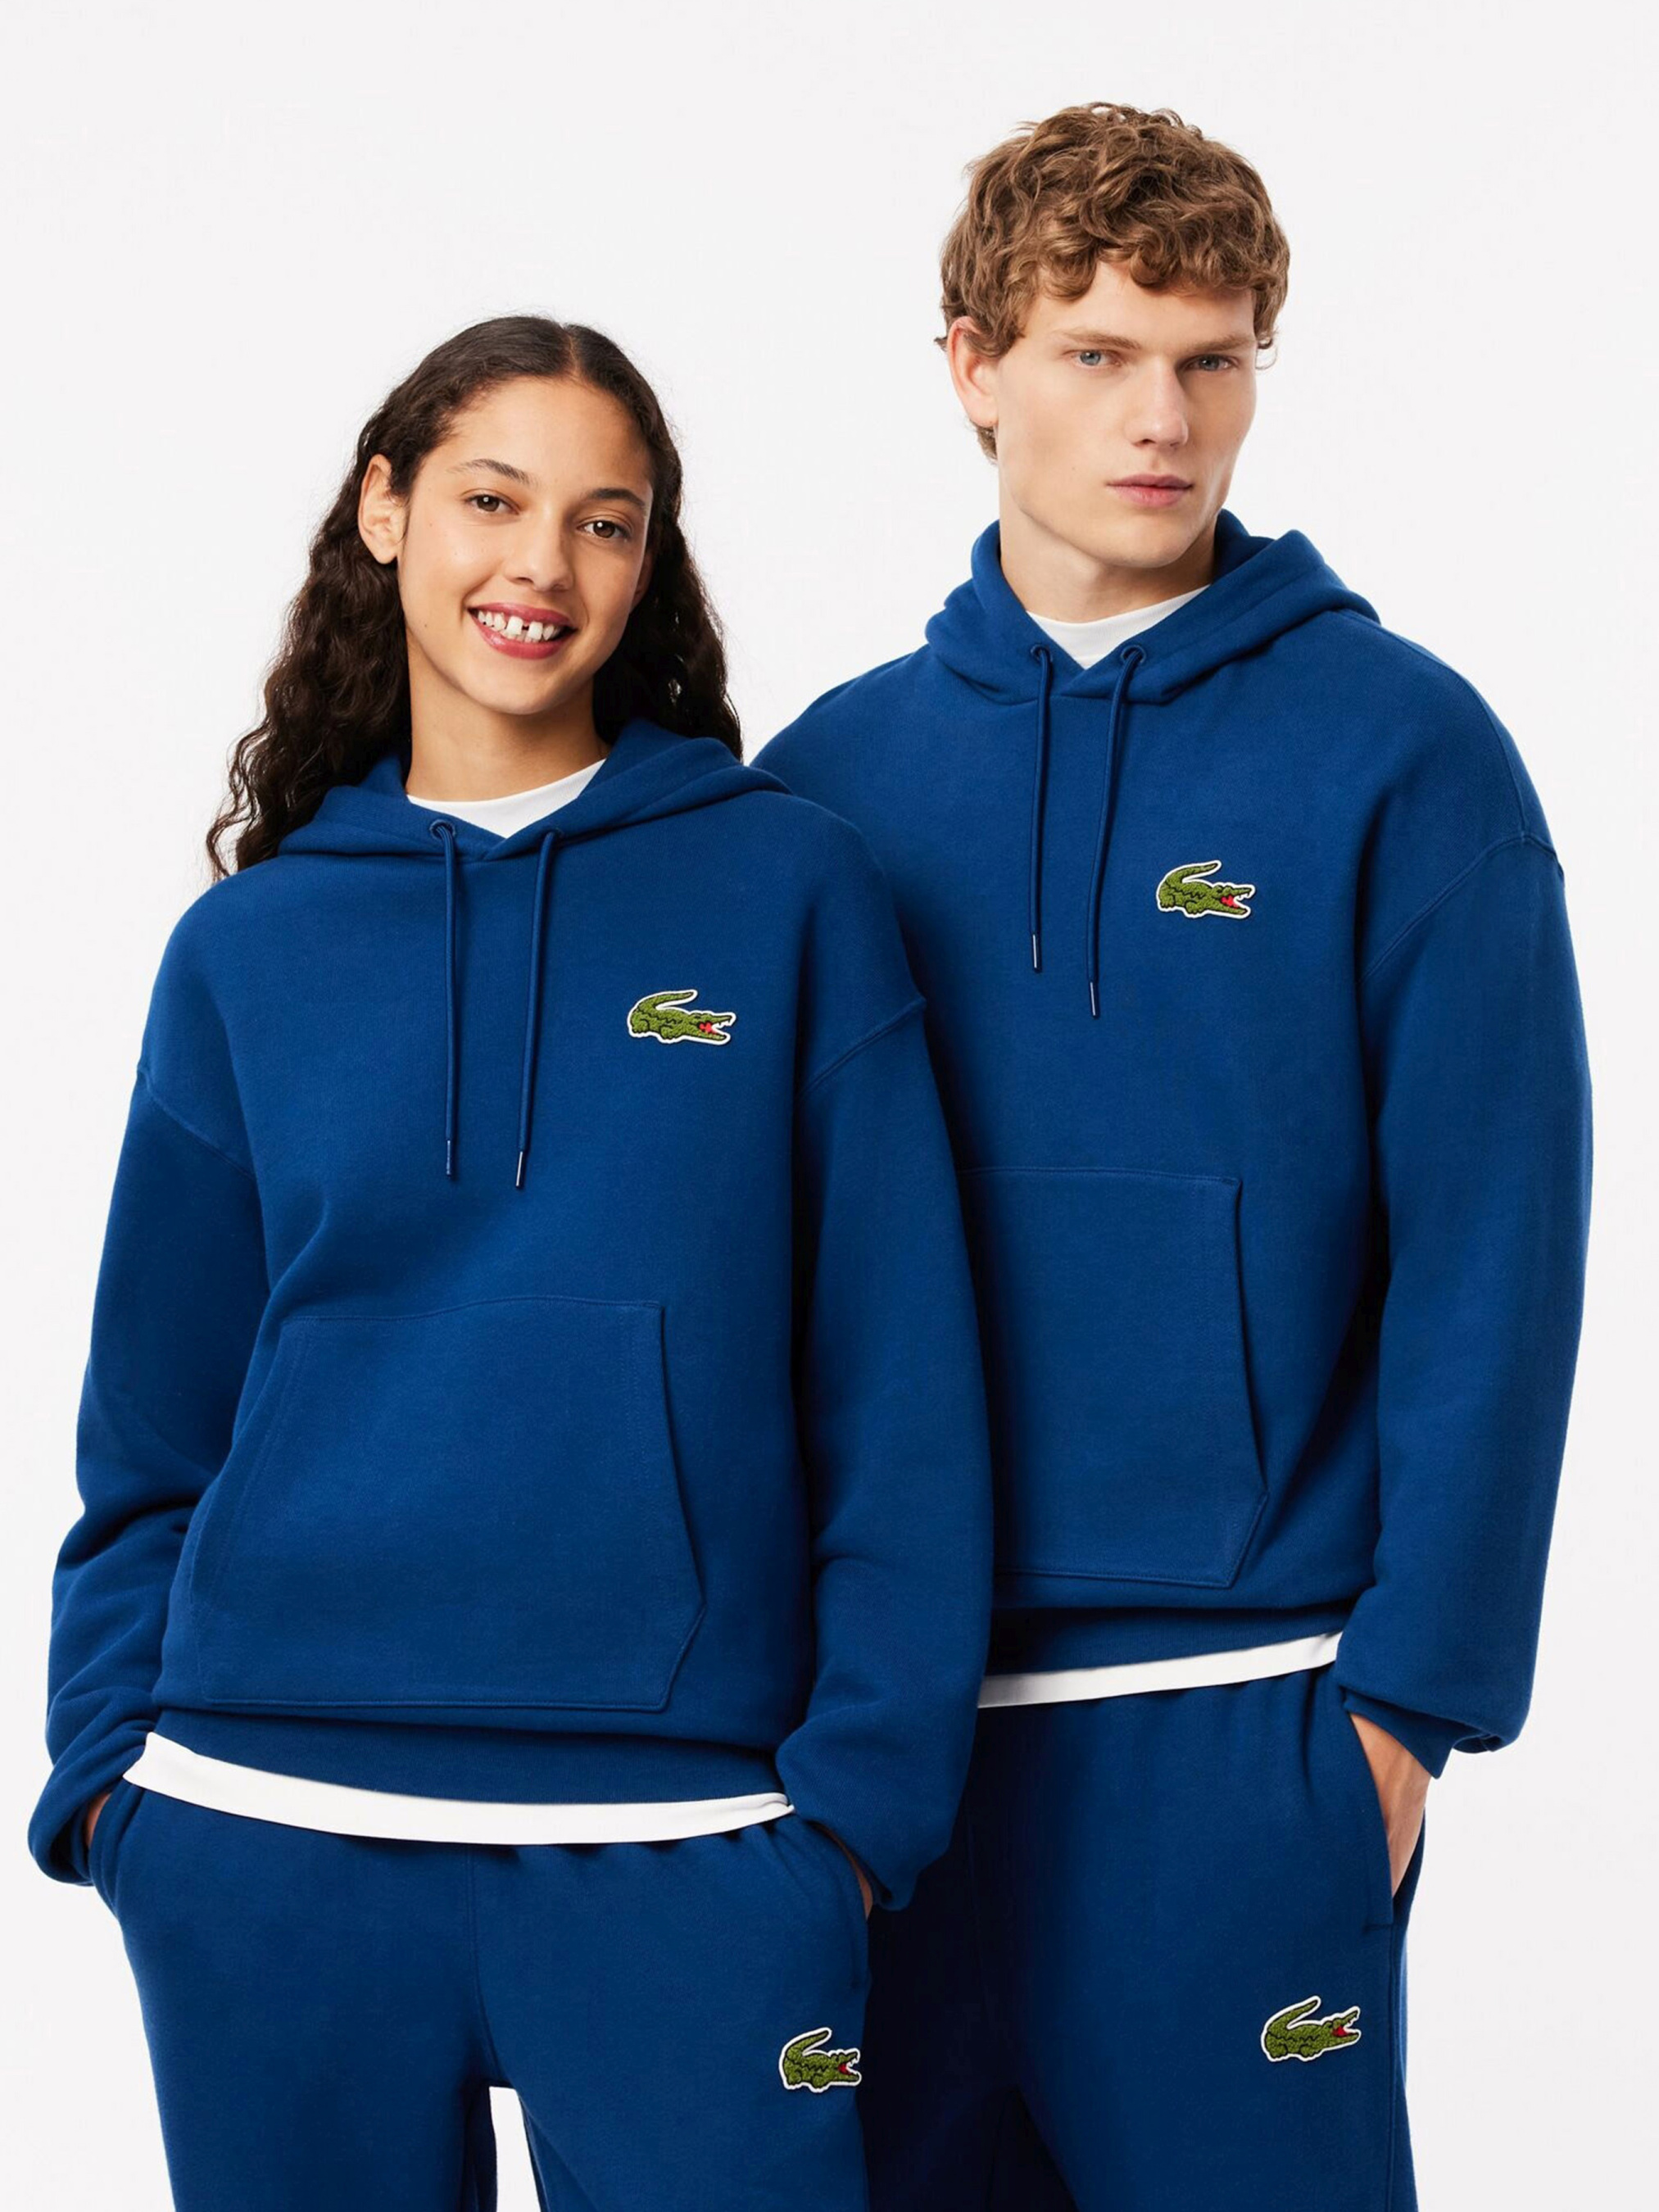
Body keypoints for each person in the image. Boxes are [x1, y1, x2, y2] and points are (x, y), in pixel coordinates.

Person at [28, 313, 994, 2212]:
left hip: (694, 1842)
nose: (541, 564)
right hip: (265, 1831)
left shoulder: (785, 891)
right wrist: (111, 1787)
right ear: (384, 509)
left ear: (648, 564)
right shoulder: (250, 948)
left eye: (603, 522)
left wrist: (855, 1817)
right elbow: (153, 1423)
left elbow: (899, 1393)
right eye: (491, 500)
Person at [758, 102, 1593, 2212]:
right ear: (970, 369)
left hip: (1245, 1713)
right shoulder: (829, 782)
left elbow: (1495, 1248)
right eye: (1098, 354)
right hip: (883, 1736)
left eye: (1211, 360)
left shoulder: (1402, 753)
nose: (1164, 418)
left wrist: (1407, 1708)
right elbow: (738, 1264)